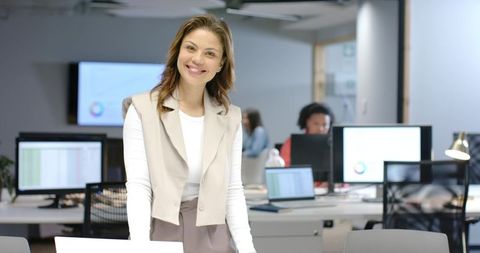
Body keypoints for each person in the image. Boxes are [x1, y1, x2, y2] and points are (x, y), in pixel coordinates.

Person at [122, 14, 256, 253]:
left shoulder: (230, 117)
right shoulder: (142, 110)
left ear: (221, 63)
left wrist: (248, 249)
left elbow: (233, 189)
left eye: (210, 53)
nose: (197, 59)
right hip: (160, 232)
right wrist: (140, 247)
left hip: (213, 236)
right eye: (190, 48)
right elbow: (139, 186)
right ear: (177, 52)